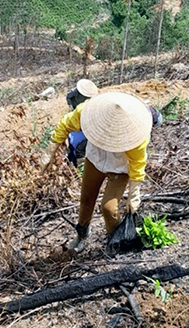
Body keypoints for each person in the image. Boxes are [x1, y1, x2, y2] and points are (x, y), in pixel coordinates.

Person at [50, 92, 153, 253]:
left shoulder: (136, 135)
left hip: (119, 168)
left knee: (109, 209)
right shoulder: (87, 111)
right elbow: (65, 124)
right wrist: (52, 149)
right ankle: (82, 235)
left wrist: (134, 192)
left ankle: (115, 240)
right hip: (94, 160)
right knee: (86, 200)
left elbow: (137, 163)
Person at [63, 79, 99, 166]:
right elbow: (68, 97)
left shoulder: (92, 101)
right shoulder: (74, 92)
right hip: (76, 112)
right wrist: (72, 109)